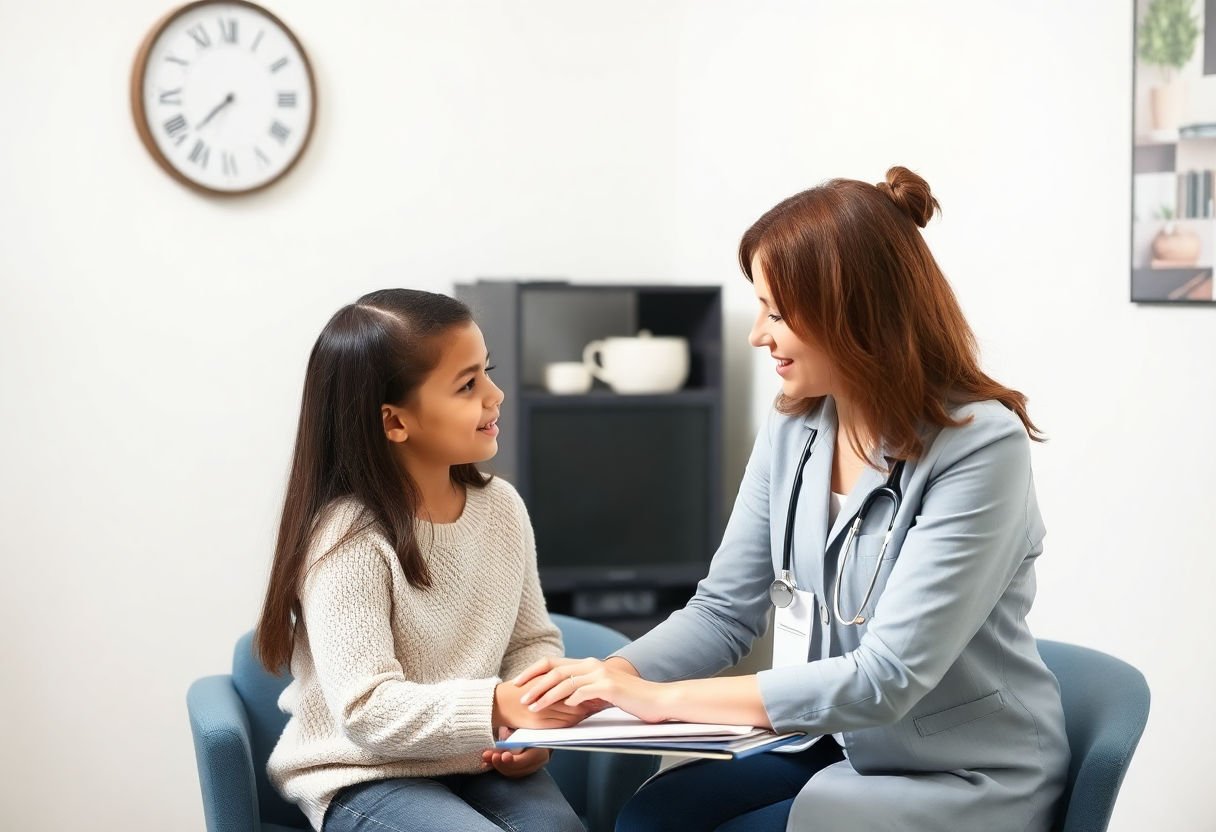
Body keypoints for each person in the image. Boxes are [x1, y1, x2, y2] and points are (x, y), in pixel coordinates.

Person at [513, 167, 1070, 831]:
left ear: (855, 313)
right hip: (832, 739)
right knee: (651, 817)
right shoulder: (796, 425)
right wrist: (600, 684)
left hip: (957, 770)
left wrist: (657, 700)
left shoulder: (981, 446)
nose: (757, 335)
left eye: (776, 312)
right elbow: (725, 611)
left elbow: (885, 677)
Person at [254, 289, 586, 832]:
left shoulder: (501, 507)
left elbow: (530, 643)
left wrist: (532, 733)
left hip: (478, 760)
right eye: (468, 385)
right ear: (394, 421)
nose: (496, 395)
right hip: (363, 775)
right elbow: (366, 712)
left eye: (488, 372)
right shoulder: (348, 538)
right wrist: (500, 706)